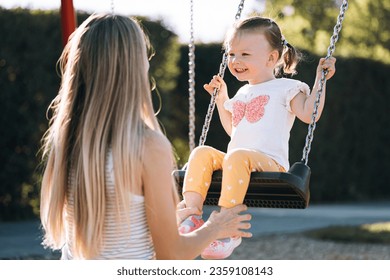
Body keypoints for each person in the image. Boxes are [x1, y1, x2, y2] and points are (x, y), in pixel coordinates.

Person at [39, 13, 252, 260]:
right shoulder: (147, 146)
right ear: (134, 65)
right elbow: (171, 254)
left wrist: (173, 219)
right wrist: (217, 227)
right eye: (145, 55)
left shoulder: (68, 142)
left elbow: (114, 230)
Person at [179, 16, 336, 259]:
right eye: (232, 54)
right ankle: (191, 215)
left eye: (244, 54)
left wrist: (320, 80)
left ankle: (227, 227)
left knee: (237, 157)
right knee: (201, 152)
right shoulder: (242, 92)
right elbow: (235, 130)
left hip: (270, 162)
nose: (235, 61)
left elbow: (308, 114)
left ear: (271, 58)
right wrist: (222, 100)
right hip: (238, 160)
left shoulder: (286, 88)